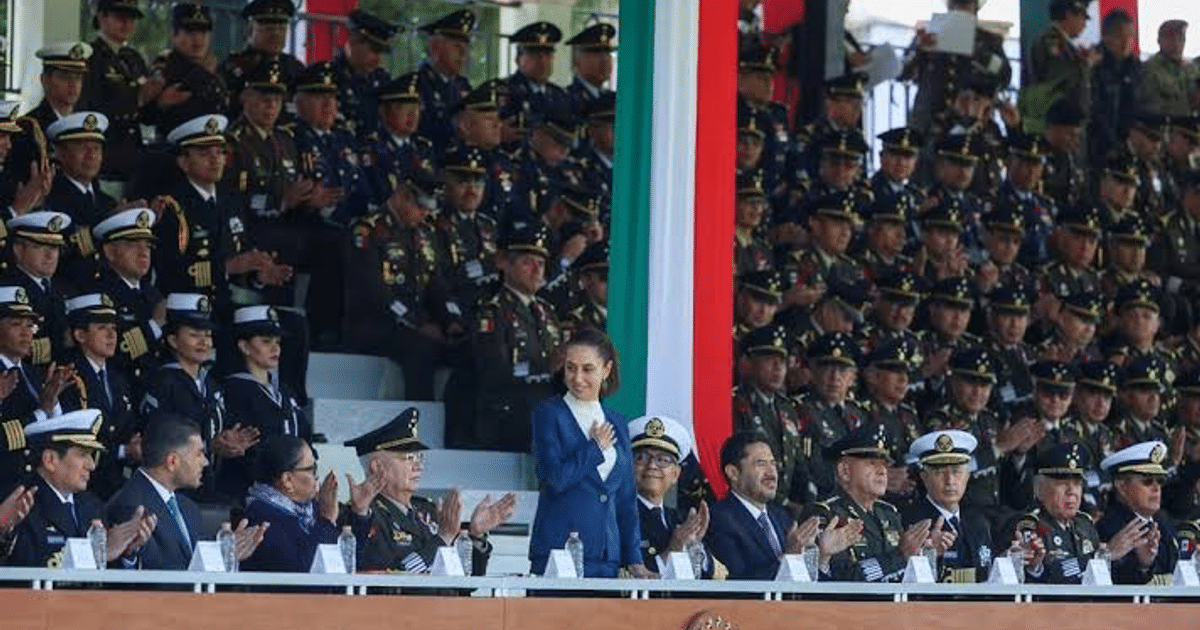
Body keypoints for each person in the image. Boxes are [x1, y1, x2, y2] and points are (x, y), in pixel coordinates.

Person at [527, 329, 651, 578]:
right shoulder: (548, 414)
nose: (577, 377)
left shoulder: (616, 421)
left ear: (606, 370)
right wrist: (594, 449)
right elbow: (556, 478)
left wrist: (634, 558)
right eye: (571, 368)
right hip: (558, 554)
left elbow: (626, 498)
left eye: (588, 369)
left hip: (607, 557)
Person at [346, 408, 515, 573]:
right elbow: (396, 576)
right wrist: (442, 540)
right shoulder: (363, 516)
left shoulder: (428, 510)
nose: (418, 466)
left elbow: (466, 583)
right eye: (409, 457)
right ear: (377, 466)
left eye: (420, 457)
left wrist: (475, 536)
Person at [107, 415, 266, 569]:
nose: (205, 462)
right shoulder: (131, 507)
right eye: (199, 453)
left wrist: (222, 557)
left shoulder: (188, 507)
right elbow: (157, 579)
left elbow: (194, 568)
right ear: (172, 462)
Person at [140, 293, 256, 501]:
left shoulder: (212, 384)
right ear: (173, 340)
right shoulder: (163, 382)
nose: (204, 342)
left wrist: (231, 441)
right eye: (194, 335)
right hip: (171, 492)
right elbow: (158, 441)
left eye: (208, 336)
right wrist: (210, 446)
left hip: (207, 485)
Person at [6, 409, 155, 567]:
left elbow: (105, 580)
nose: (91, 465)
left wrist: (127, 552)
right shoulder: (21, 505)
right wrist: (99, 553)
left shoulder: (91, 506)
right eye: (83, 454)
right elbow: (28, 567)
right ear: (50, 460)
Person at [468, 225, 562, 451]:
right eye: (527, 263)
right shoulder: (492, 311)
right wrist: (545, 365)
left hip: (544, 399)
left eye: (540, 264)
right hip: (508, 408)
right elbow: (495, 370)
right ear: (506, 265)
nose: (536, 271)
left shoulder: (546, 310)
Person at [806, 424, 931, 582]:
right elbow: (842, 582)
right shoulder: (825, 514)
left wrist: (927, 554)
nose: (882, 471)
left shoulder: (889, 513)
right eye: (872, 463)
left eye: (884, 464)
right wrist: (900, 555)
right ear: (845, 471)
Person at [708, 432, 836, 580]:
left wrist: (823, 558)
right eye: (760, 464)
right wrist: (790, 556)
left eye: (773, 463)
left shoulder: (782, 517)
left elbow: (805, 587)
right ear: (733, 473)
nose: (772, 473)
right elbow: (736, 583)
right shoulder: (719, 520)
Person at [240, 435, 371, 572]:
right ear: (287, 480)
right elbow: (306, 570)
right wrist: (326, 519)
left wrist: (360, 512)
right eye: (312, 469)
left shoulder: (311, 509)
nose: (317, 476)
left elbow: (349, 562)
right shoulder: (262, 518)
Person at [220, 306, 309, 499]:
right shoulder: (233, 390)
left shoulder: (285, 391)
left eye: (277, 342)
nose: (275, 348)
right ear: (244, 347)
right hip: (250, 493)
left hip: (291, 492)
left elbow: (304, 435)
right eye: (266, 341)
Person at [82, 0, 172, 184]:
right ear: (102, 17)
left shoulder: (133, 59)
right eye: (120, 17)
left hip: (133, 158)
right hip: (103, 158)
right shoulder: (90, 57)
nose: (127, 24)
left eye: (131, 18)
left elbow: (145, 115)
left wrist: (161, 101)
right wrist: (137, 98)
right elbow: (89, 105)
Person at [58, 293, 137, 500]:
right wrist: (123, 451)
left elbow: (126, 428)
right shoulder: (68, 378)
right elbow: (71, 441)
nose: (112, 336)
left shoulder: (118, 379)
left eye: (113, 329)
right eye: (102, 328)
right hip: (81, 489)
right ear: (80, 335)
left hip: (116, 486)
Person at [627, 414, 715, 577]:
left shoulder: (680, 518)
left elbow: (707, 574)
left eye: (663, 460)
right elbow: (627, 578)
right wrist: (673, 550)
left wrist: (694, 546)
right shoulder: (617, 517)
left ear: (676, 474)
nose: (652, 465)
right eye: (642, 457)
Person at [903, 430, 993, 583]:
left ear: (967, 475)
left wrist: (1011, 559)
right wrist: (928, 555)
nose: (950, 481)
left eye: (957, 472)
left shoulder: (978, 523)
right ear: (924, 477)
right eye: (939, 472)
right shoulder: (911, 523)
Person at [733, 325, 807, 509]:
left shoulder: (786, 407)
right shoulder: (737, 404)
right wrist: (786, 503)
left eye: (781, 361)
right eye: (769, 359)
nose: (777, 368)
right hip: (749, 502)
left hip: (783, 507)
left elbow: (797, 462)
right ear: (749, 363)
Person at [88, 208, 165, 385]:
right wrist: (154, 326)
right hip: (123, 387)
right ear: (110, 251)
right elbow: (113, 351)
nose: (143, 252)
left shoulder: (152, 293)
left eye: (147, 245)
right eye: (133, 244)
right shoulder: (100, 295)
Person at [42, 111, 114, 289]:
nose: (91, 155)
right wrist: (110, 222)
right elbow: (68, 251)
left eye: (96, 148)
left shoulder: (108, 202)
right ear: (60, 153)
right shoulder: (50, 199)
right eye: (82, 147)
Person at [1010, 443, 1100, 583]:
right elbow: (1050, 576)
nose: (1072, 492)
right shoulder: (1031, 525)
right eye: (1062, 483)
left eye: (1076, 483)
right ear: (1039, 489)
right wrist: (1099, 559)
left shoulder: (1084, 523)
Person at [1097, 441, 1181, 584]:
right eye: (1147, 481)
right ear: (1122, 486)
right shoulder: (1110, 527)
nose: (1156, 488)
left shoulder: (1164, 520)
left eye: (1160, 480)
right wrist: (1144, 567)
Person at [3, 211, 73, 365]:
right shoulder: (8, 290)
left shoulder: (61, 288)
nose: (50, 255)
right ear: (19, 250)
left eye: (54, 248)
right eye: (40, 246)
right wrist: (63, 342)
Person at [218, 0, 304, 117]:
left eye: (282, 28)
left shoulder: (294, 67)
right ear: (249, 30)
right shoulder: (237, 66)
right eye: (268, 28)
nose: (276, 34)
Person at [154, 3, 227, 136]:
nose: (198, 39)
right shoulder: (165, 65)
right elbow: (148, 114)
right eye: (190, 32)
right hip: (177, 148)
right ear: (174, 35)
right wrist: (203, 74)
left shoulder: (214, 66)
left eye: (204, 32)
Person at [331, 10, 399, 141]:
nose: (377, 58)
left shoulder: (382, 79)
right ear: (354, 41)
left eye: (381, 52)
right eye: (374, 50)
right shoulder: (332, 77)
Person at [415, 8, 476, 155]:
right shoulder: (418, 85)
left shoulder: (462, 86)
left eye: (465, 47)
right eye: (457, 47)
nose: (463, 54)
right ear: (435, 48)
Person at [1024, 0, 1094, 124]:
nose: (1085, 24)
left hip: (1065, 122)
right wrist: (1086, 64)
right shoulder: (1051, 41)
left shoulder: (1064, 44)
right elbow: (1059, 80)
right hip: (1057, 124)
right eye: (1082, 18)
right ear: (1068, 15)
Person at [1090, 9, 1141, 168]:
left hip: (1129, 146)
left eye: (1130, 37)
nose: (1126, 43)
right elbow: (1094, 111)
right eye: (1120, 36)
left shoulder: (1135, 67)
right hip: (1097, 147)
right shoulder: (1094, 66)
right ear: (1106, 37)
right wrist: (1114, 143)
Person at [504, 22, 569, 127]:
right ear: (518, 59)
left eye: (548, 53)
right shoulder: (505, 92)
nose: (542, 60)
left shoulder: (560, 96)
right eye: (534, 53)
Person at [1137, 20, 1199, 118]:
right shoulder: (1149, 69)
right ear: (1159, 40)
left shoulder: (1191, 69)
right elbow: (1151, 108)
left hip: (1190, 127)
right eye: (1171, 38)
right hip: (1161, 128)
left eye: (1181, 38)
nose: (1177, 43)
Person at [27, 42, 91, 133]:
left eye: (78, 77)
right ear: (45, 80)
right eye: (65, 77)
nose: (73, 84)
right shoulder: (30, 126)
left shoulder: (87, 121)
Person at [564, 23, 616, 122]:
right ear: (577, 61)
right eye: (596, 52)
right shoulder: (566, 100)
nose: (605, 59)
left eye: (607, 52)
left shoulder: (614, 99)